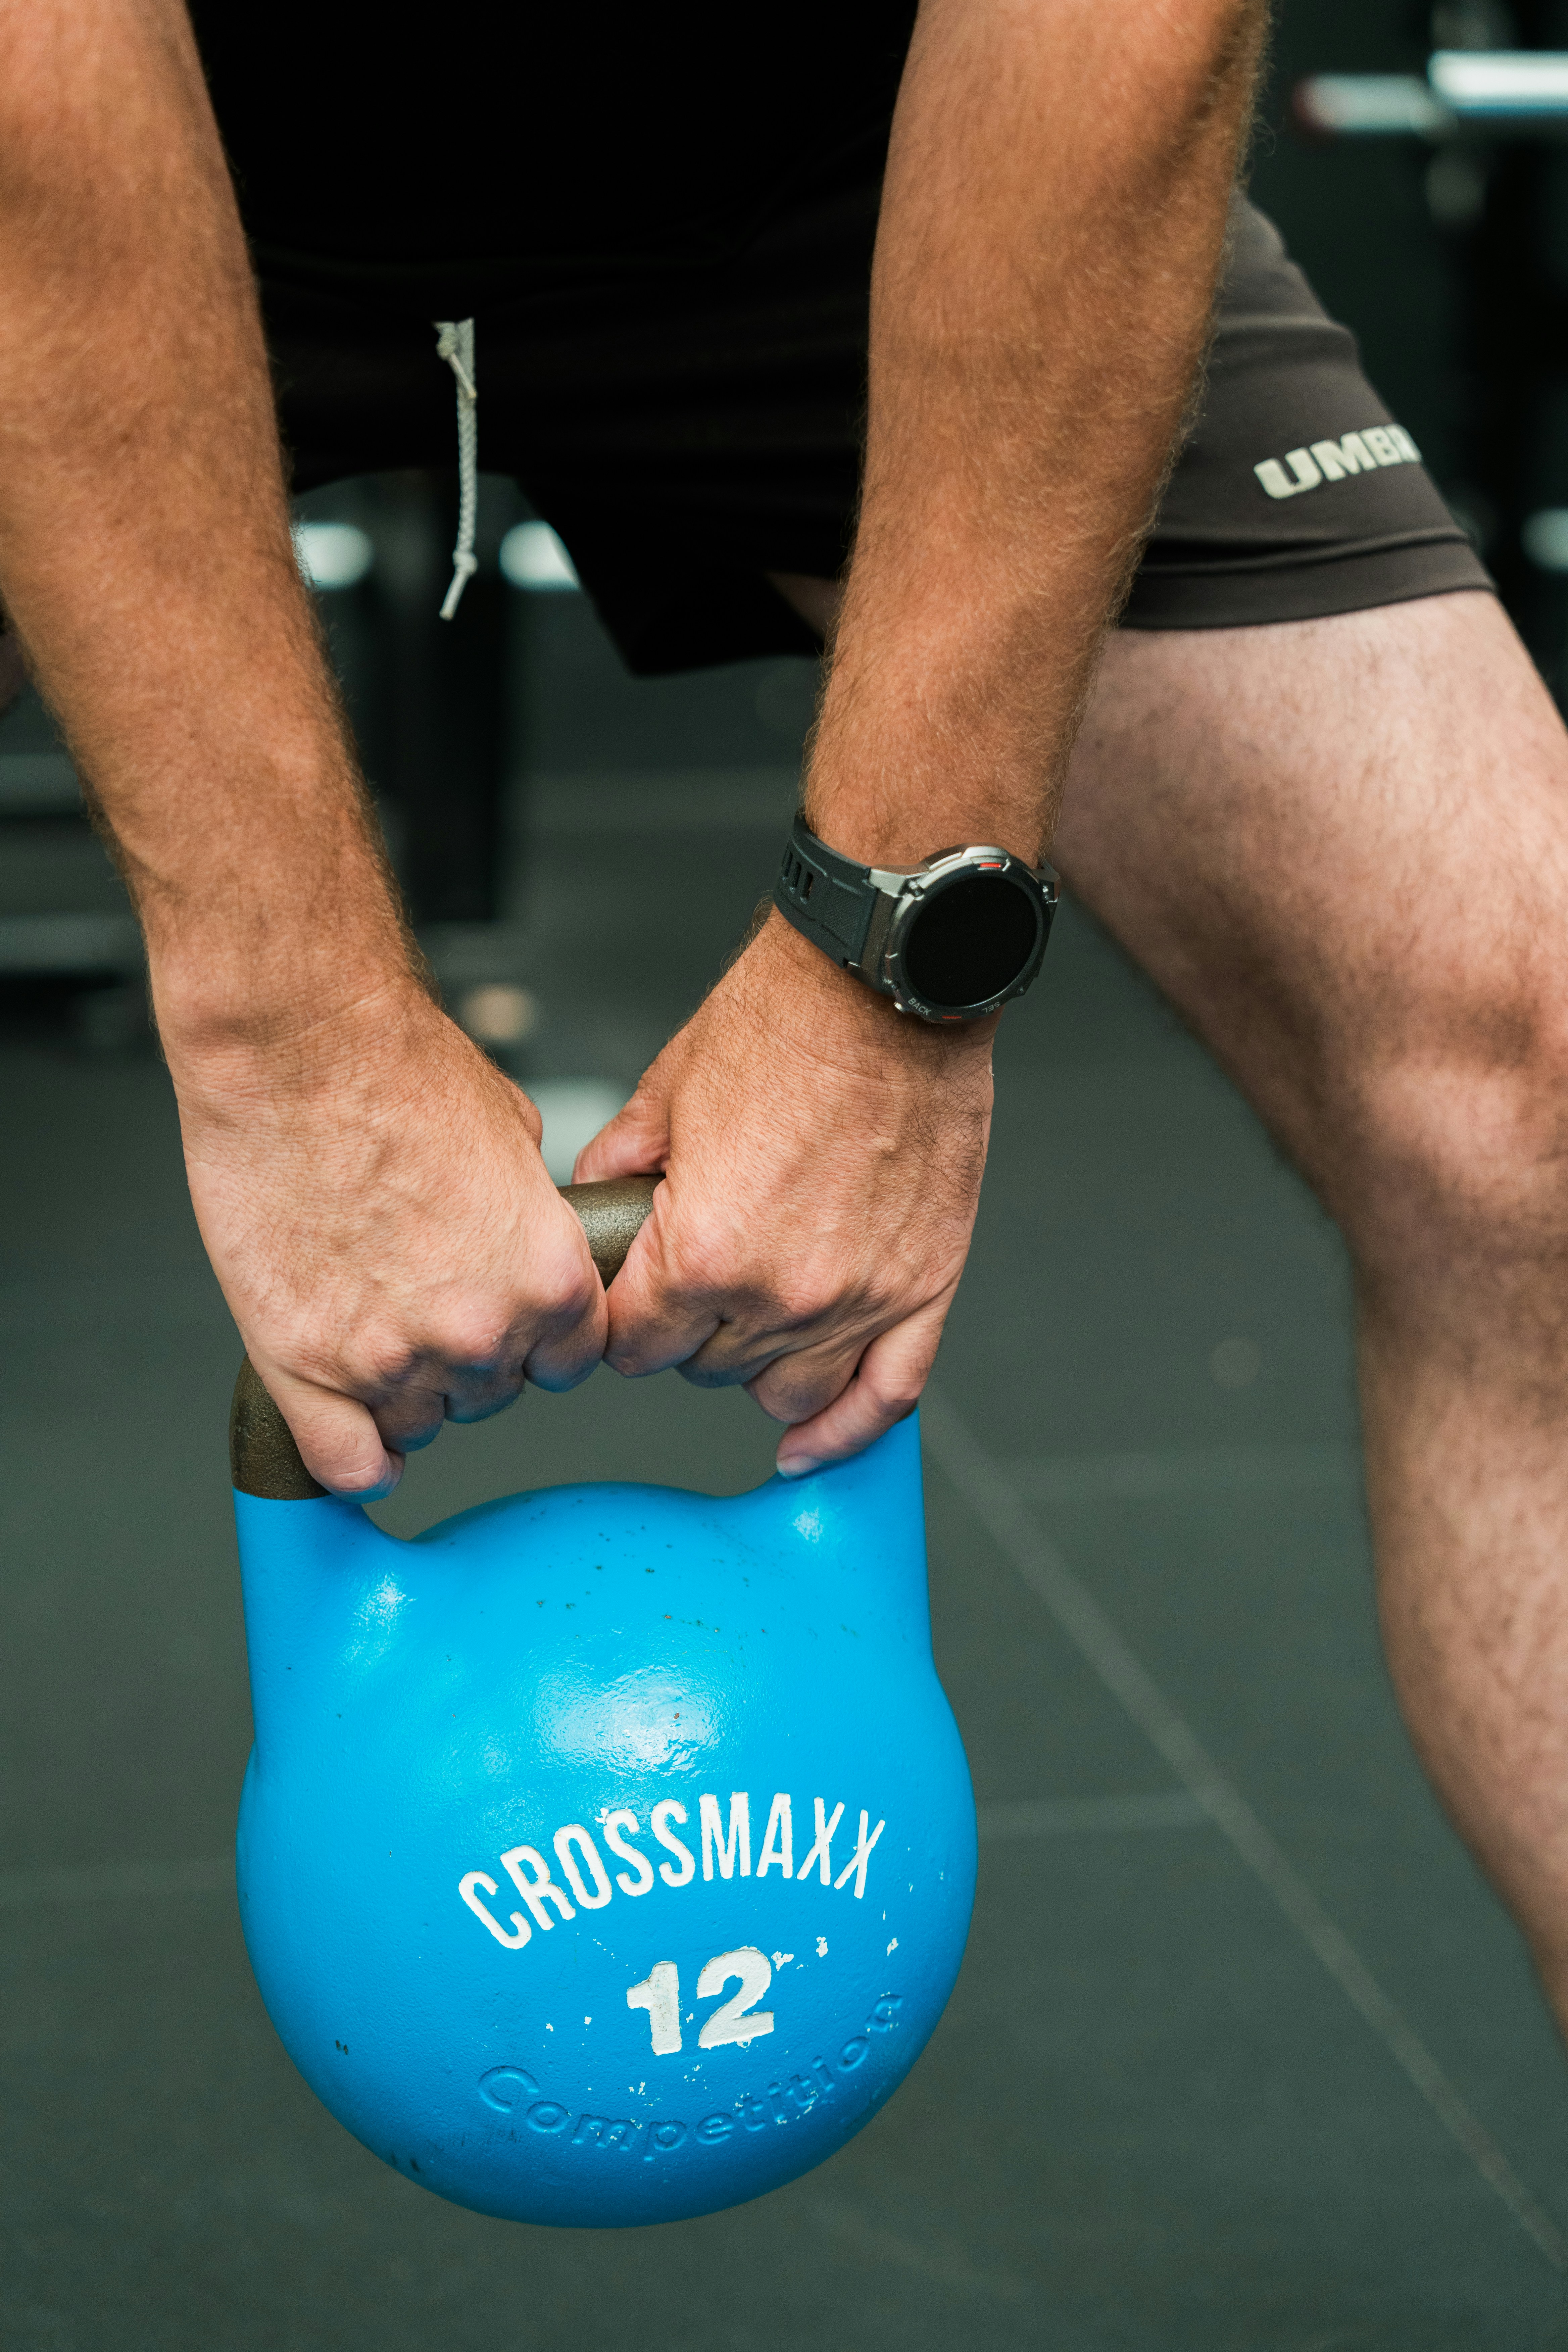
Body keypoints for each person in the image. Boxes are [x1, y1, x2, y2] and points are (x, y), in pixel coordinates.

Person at [6, 0, 1568, 2038]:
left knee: (1525, 1067)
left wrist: (886, 974)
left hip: (845, 160)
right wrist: (287, 1043)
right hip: (98, 140)